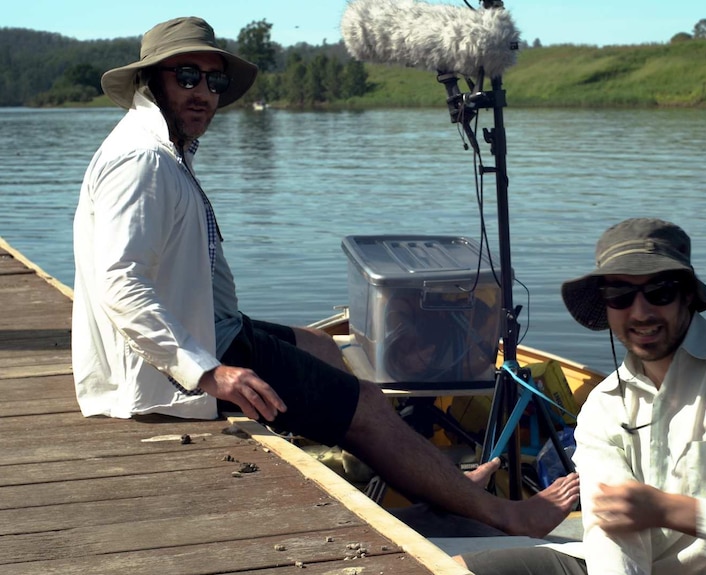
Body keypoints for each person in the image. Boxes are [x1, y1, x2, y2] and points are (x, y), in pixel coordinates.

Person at [71, 16, 579, 540]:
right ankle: (505, 513)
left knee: (321, 346)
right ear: (151, 80)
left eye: (214, 81)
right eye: (187, 77)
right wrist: (207, 373)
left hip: (211, 328)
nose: (203, 92)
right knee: (369, 405)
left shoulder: (162, 149)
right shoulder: (142, 161)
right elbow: (121, 283)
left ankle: (440, 487)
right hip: (176, 367)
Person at [458, 217, 706, 574]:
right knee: (448, 567)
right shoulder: (603, 406)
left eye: (659, 291)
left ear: (686, 295)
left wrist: (671, 510)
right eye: (620, 294)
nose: (640, 312)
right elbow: (615, 538)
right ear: (606, 305)